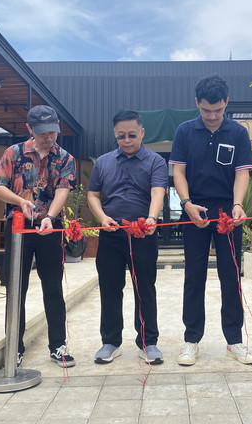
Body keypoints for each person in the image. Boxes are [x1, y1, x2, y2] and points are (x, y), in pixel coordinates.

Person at [169, 74, 252, 366]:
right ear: (197, 103)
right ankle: (191, 339)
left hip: (226, 212)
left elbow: (241, 173)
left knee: (230, 275)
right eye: (206, 110)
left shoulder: (238, 133)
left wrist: (237, 205)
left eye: (217, 111)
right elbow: (178, 172)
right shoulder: (184, 131)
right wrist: (186, 204)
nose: (212, 116)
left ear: (226, 104)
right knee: (193, 276)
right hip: (193, 209)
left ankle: (234, 339)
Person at [0, 105, 76, 368]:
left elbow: (62, 190)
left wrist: (50, 215)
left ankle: (58, 346)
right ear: (29, 129)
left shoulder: (65, 158)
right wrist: (19, 201)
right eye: (42, 133)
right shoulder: (13, 153)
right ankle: (14, 346)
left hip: (50, 228)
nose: (49, 137)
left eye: (53, 131)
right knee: (16, 289)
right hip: (18, 229)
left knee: (53, 287)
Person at [87, 110, 168, 365]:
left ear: (142, 133)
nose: (127, 140)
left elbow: (158, 192)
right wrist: (101, 218)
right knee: (110, 288)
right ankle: (110, 342)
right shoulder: (103, 162)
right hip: (111, 235)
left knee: (145, 288)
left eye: (132, 135)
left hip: (143, 234)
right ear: (115, 134)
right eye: (121, 136)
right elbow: (93, 195)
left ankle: (148, 342)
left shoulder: (156, 161)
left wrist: (152, 218)